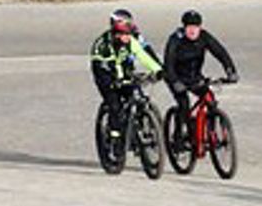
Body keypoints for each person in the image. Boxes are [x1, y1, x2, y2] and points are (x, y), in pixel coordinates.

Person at [90, 8, 162, 138]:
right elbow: (99, 67)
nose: (128, 38)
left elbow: (143, 55)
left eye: (129, 34)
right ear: (116, 34)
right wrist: (110, 82)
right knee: (115, 106)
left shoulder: (131, 41)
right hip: (106, 76)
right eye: (125, 35)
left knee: (136, 95)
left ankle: (139, 126)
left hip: (125, 73)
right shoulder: (103, 45)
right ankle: (115, 136)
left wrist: (158, 69)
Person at [162, 9, 238, 123]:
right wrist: (174, 81)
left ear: (200, 27)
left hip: (195, 77)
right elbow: (169, 62)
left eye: (195, 27)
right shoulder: (176, 39)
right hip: (176, 77)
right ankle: (179, 132)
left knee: (210, 100)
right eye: (189, 27)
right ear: (184, 27)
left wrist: (230, 71)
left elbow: (220, 53)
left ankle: (209, 128)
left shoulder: (204, 36)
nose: (192, 30)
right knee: (184, 105)